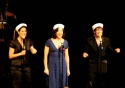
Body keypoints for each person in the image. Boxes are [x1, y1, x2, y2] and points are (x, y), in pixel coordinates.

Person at [82, 23, 120, 88]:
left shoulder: (106, 40)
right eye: (97, 30)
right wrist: (85, 54)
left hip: (102, 64)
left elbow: (109, 50)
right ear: (94, 31)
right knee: (90, 82)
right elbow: (86, 51)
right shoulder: (89, 40)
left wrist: (115, 50)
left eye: (101, 30)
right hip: (92, 64)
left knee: (102, 83)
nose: (99, 32)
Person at [8, 23, 37, 88]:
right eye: (22, 31)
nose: (24, 32)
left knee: (29, 84)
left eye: (25, 31)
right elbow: (10, 56)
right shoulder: (13, 42)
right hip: (16, 67)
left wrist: (34, 51)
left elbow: (32, 49)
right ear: (18, 32)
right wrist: (20, 54)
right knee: (18, 85)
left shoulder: (28, 41)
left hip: (26, 67)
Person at [43, 23, 70, 88]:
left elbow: (66, 56)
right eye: (58, 31)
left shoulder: (65, 42)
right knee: (52, 84)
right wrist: (46, 68)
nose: (60, 32)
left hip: (62, 66)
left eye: (61, 31)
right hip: (52, 67)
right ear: (55, 32)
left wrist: (68, 69)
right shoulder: (49, 41)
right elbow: (45, 56)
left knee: (63, 84)